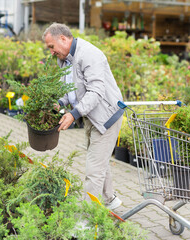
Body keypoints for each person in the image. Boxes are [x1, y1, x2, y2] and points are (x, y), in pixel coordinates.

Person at [42, 23, 124, 210]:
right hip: (90, 115)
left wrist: (73, 114)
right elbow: (68, 90)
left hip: (106, 117)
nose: (51, 52)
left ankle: (88, 218)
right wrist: (60, 103)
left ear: (63, 38)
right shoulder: (63, 59)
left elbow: (95, 91)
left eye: (52, 47)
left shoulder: (89, 54)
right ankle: (110, 200)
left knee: (93, 170)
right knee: (98, 160)